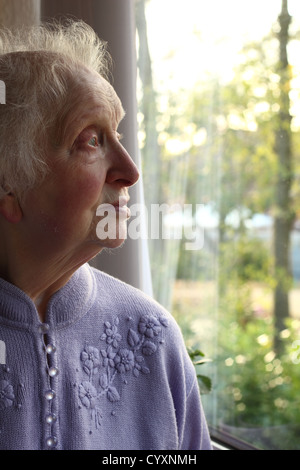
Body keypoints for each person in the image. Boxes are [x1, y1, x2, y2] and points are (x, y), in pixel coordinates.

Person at [0, 20, 212, 451]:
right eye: (91, 140)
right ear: (8, 184)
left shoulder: (153, 335)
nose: (131, 171)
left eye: (117, 133)